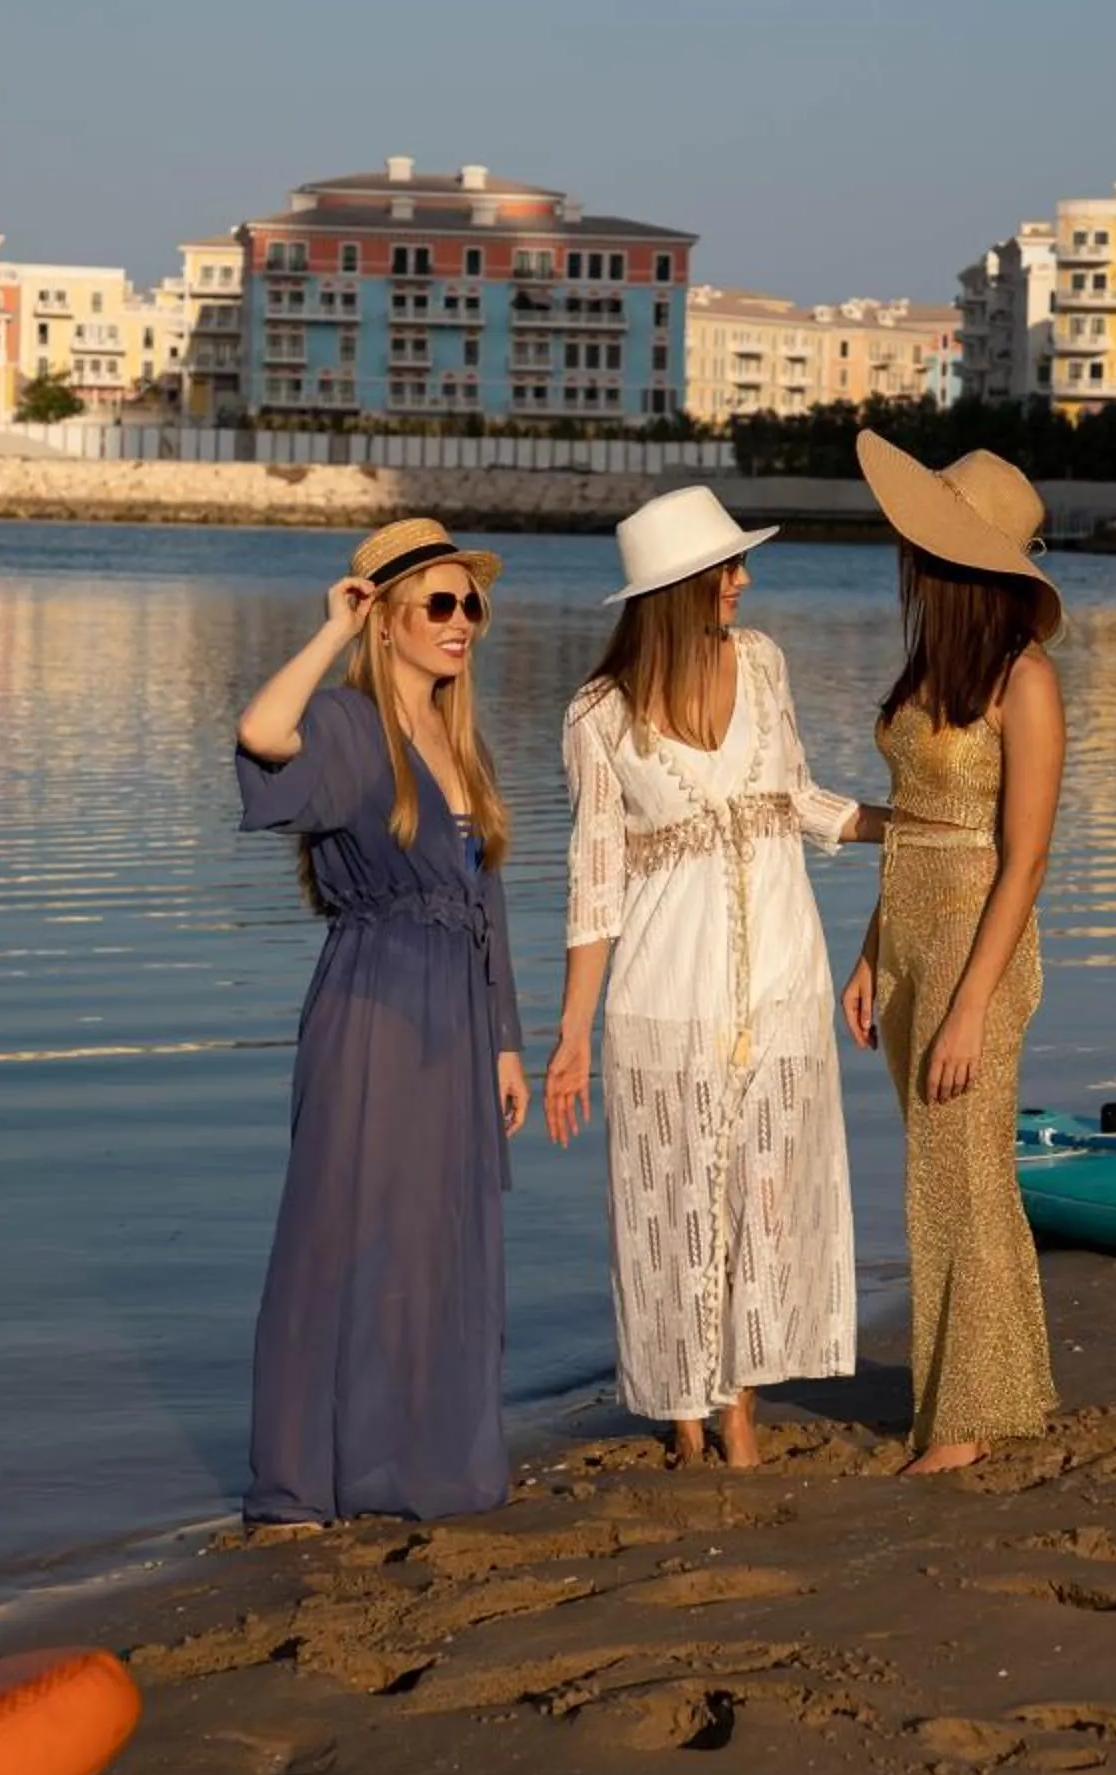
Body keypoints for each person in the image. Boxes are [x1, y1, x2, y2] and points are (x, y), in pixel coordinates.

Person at [544, 483, 883, 1469]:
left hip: (780, 981)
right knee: (673, 1210)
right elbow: (593, 885)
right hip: (663, 999)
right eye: (724, 568)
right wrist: (571, 1031)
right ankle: (684, 1418)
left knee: (763, 1199)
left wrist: (894, 827)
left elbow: (796, 797)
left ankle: (736, 1404)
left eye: (738, 565)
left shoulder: (764, 664)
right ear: (676, 589)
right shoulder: (597, 718)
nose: (742, 580)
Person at [234, 516, 529, 1527]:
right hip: (370, 1006)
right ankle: (306, 1480)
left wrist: (504, 1043)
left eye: (470, 605)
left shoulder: (460, 740)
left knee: (429, 1238)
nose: (461, 623)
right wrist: (328, 630)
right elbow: (260, 738)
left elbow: (487, 910)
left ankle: (412, 1467)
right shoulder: (351, 726)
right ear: (386, 619)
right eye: (438, 605)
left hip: (454, 1016)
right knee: (342, 1236)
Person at [840, 438, 1065, 1476]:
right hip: (909, 937)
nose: (907, 560)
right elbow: (915, 823)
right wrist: (866, 953)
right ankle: (992, 1393)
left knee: (960, 1176)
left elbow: (1021, 861)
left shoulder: (1025, 683)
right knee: (943, 1174)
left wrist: (972, 1005)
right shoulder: (931, 663)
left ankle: (965, 1421)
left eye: (923, 545)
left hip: (980, 943)